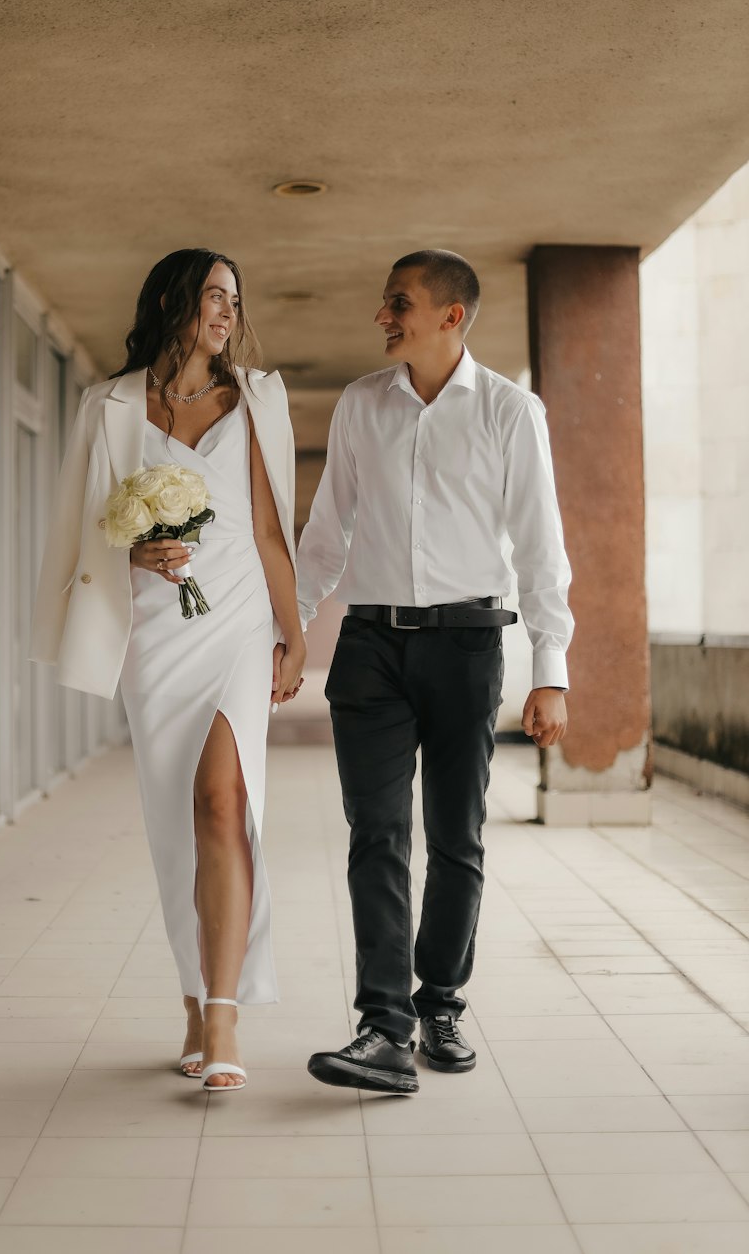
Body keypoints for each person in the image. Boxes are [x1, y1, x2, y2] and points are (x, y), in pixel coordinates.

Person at [297, 248, 572, 1094]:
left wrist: (550, 664)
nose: (384, 315)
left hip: (467, 645)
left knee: (457, 835)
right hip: (370, 647)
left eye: (399, 302)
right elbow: (325, 533)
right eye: (386, 302)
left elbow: (538, 542)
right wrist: (289, 629)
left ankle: (440, 1000)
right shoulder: (358, 405)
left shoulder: (507, 409)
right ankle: (383, 1027)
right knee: (376, 832)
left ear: (452, 315)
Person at [30, 248, 304, 1092]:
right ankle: (194, 994)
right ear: (174, 301)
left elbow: (267, 529)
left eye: (235, 299)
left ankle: (223, 1013)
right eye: (215, 295)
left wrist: (295, 634)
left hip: (236, 622)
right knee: (173, 823)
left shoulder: (257, 397)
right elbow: (84, 529)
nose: (227, 312)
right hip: (153, 631)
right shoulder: (107, 404)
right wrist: (135, 550)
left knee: (225, 803)